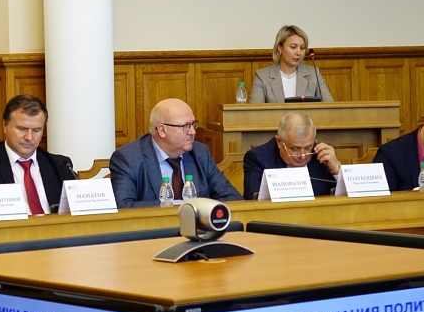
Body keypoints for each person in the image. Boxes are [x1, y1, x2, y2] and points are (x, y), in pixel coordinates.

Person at [110, 98, 242, 208]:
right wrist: (178, 205)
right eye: (186, 126)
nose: (193, 132)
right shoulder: (128, 158)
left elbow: (233, 198)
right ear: (162, 130)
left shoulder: (200, 153)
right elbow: (124, 207)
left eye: (193, 125)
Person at [0, 94, 75, 213]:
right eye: (22, 129)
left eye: (36, 130)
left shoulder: (61, 166)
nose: (29, 137)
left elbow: (79, 210)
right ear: (5, 126)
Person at [243, 112, 340, 199]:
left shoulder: (323, 155)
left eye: (308, 147)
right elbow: (252, 200)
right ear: (279, 142)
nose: (302, 155)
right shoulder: (258, 158)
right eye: (294, 148)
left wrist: (337, 171)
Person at [249, 25, 333, 103]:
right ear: (280, 48)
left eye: (302, 48)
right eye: (293, 47)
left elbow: (330, 107)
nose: (298, 52)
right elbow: (255, 111)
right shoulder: (262, 77)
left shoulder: (314, 74)